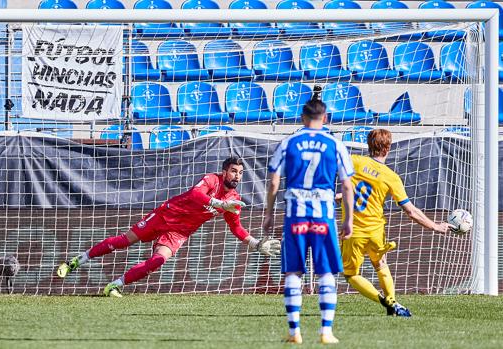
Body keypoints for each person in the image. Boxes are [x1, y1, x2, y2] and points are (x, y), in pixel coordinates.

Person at [57, 156, 281, 297]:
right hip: (164, 215)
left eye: (240, 173)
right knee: (124, 242)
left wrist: (254, 243)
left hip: (179, 232)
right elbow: (196, 194)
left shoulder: (234, 200)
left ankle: (114, 285)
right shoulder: (212, 180)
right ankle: (76, 261)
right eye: (234, 171)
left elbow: (236, 228)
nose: (237, 176)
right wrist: (218, 203)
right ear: (224, 172)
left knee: (158, 260)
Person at [263, 93, 354, 345]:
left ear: (303, 118)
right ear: (324, 118)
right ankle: (326, 331)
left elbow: (273, 181)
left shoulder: (288, 142)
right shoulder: (335, 144)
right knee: (326, 272)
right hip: (324, 215)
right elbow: (347, 186)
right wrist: (349, 219)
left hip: (295, 215)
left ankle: (295, 332)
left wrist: (269, 213)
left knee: (293, 271)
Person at [337, 129, 452, 317]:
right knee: (380, 263)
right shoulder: (391, 177)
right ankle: (392, 302)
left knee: (351, 275)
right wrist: (435, 226)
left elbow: (354, 188)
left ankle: (385, 301)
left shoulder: (354, 161)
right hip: (376, 231)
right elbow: (411, 211)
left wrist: (341, 196)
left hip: (354, 231)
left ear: (368, 144)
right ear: (388, 148)